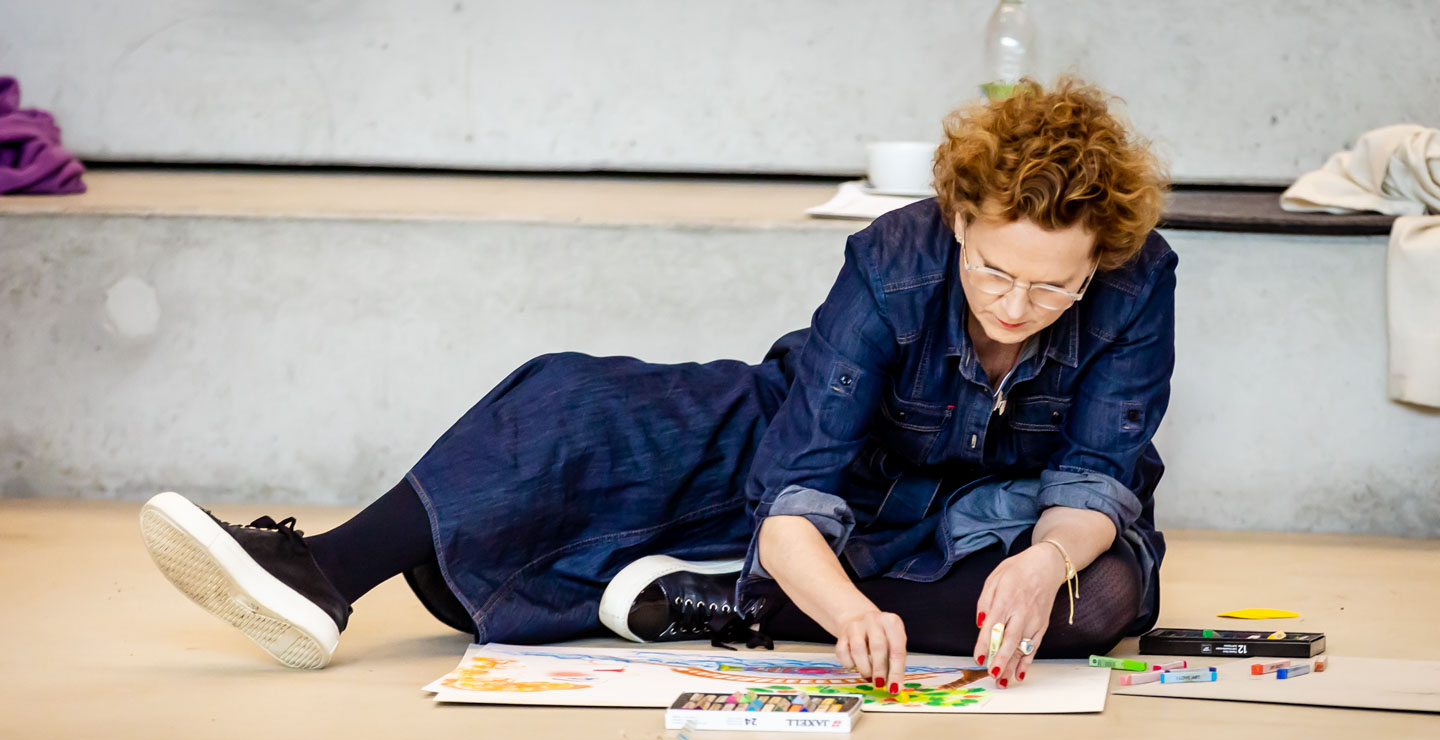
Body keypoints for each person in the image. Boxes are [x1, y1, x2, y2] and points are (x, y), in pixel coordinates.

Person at [140, 78, 1174, 693]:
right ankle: (325, 572)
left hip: (999, 514)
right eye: (993, 271)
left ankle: (730, 602)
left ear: (1102, 259)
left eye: (1054, 287)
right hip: (826, 458)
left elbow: (1098, 471)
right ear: (956, 222)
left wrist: (1045, 560)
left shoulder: (1138, 281)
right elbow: (799, 482)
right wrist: (841, 600)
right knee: (573, 404)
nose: (1014, 306)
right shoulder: (891, 260)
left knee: (1098, 602)